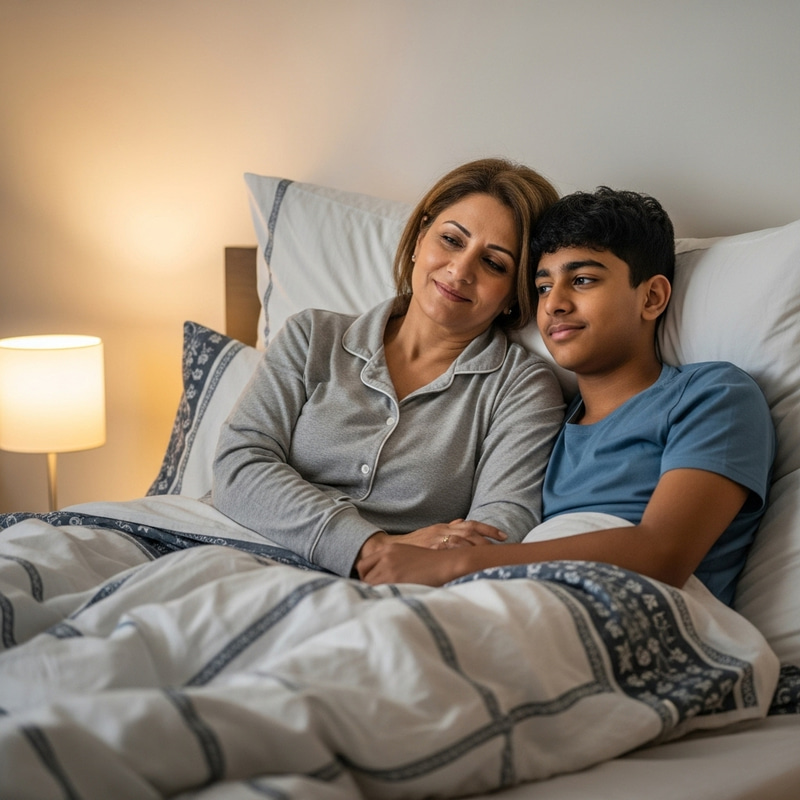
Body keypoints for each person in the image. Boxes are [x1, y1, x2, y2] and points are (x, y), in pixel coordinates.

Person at [358, 187, 776, 606]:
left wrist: (454, 565)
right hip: (521, 606)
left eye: (582, 280)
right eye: (542, 287)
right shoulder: (548, 426)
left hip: (639, 613)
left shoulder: (713, 397)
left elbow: (662, 553)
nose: (555, 303)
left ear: (651, 297)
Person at [211, 158, 565, 579]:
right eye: (452, 240)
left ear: (514, 293)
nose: (460, 270)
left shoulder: (522, 388)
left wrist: (412, 559)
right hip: (225, 546)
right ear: (418, 240)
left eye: (494, 264)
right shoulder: (311, 336)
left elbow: (500, 526)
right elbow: (238, 465)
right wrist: (370, 547)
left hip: (389, 587)